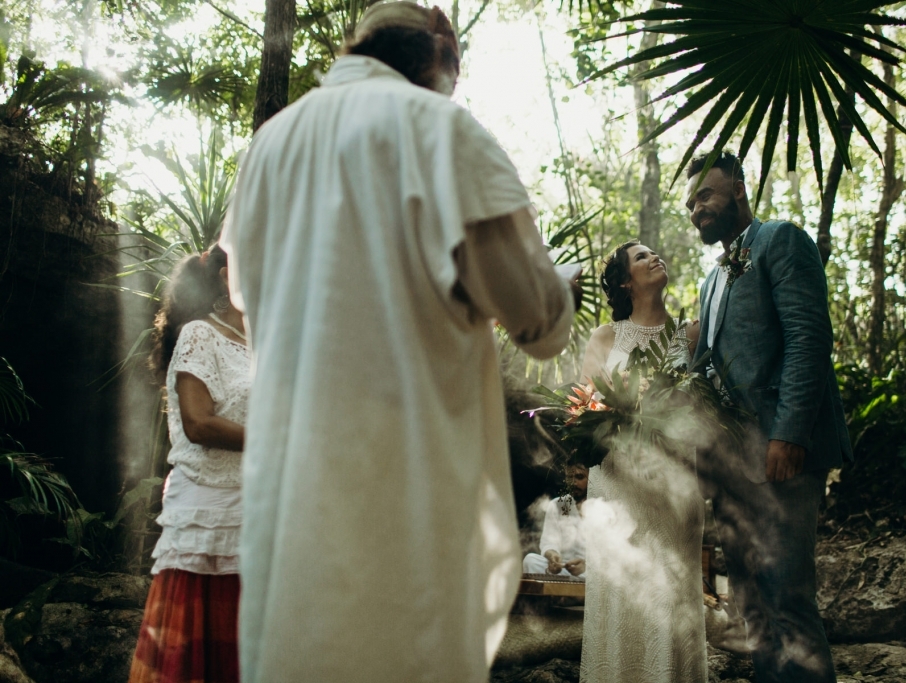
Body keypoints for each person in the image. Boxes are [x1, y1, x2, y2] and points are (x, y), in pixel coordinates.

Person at [218, 3, 576, 682]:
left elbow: (246, 294)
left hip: (291, 497)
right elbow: (537, 319)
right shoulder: (440, 130)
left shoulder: (270, 145)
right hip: (408, 488)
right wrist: (562, 283)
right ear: (439, 54)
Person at [685, 151, 854, 683]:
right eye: (690, 203)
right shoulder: (711, 282)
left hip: (781, 455)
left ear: (738, 188)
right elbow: (705, 373)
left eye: (705, 195)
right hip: (732, 469)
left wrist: (789, 433)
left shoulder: (780, 240)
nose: (696, 209)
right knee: (752, 609)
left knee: (788, 600)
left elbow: (808, 339)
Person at [577, 242, 707, 683]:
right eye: (640, 257)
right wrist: (615, 415)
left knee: (670, 597)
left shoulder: (690, 335)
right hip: (618, 487)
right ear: (625, 281)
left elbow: (703, 411)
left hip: (673, 487)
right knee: (620, 595)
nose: (655, 258)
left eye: (654, 253)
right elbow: (583, 414)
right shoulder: (604, 338)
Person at [129, 245, 249, 683]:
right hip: (208, 519)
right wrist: (277, 443)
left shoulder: (267, 345)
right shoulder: (201, 334)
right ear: (226, 276)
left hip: (259, 512)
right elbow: (198, 423)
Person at [522, 463, 588, 578]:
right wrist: (553, 556)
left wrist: (587, 565)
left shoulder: (603, 507)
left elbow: (611, 557)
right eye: (569, 478)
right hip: (564, 570)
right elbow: (549, 543)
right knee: (530, 560)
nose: (573, 483)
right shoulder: (557, 505)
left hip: (591, 573)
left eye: (579, 477)